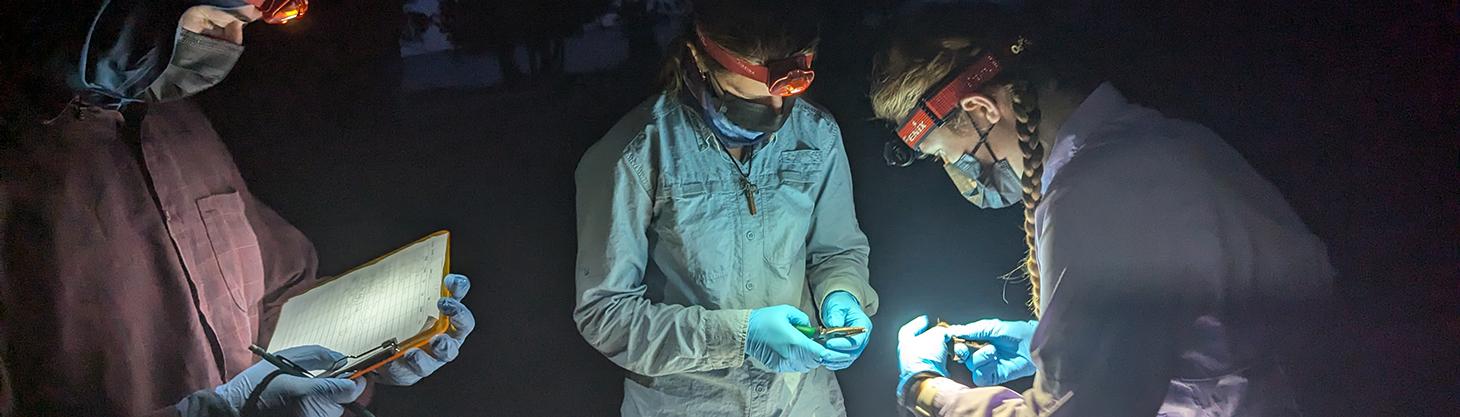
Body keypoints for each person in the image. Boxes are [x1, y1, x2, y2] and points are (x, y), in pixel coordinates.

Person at [0, 1, 475, 416]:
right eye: (213, 20)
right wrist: (219, 411)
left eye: (242, 26)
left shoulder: (179, 127)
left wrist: (373, 344)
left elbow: (275, 295)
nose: (230, 44)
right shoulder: (21, 163)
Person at [868, 3, 1334, 416]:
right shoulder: (1167, 141)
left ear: (982, 109)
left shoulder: (1097, 196)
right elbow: (1192, 331)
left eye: (945, 154)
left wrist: (926, 390)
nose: (956, 169)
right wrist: (1045, 342)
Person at [572, 0, 878, 415]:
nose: (775, 117)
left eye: (787, 98)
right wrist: (739, 336)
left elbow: (837, 251)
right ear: (699, 60)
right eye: (747, 102)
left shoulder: (816, 135)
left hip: (804, 400)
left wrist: (843, 293)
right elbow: (606, 314)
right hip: (688, 404)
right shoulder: (636, 154)